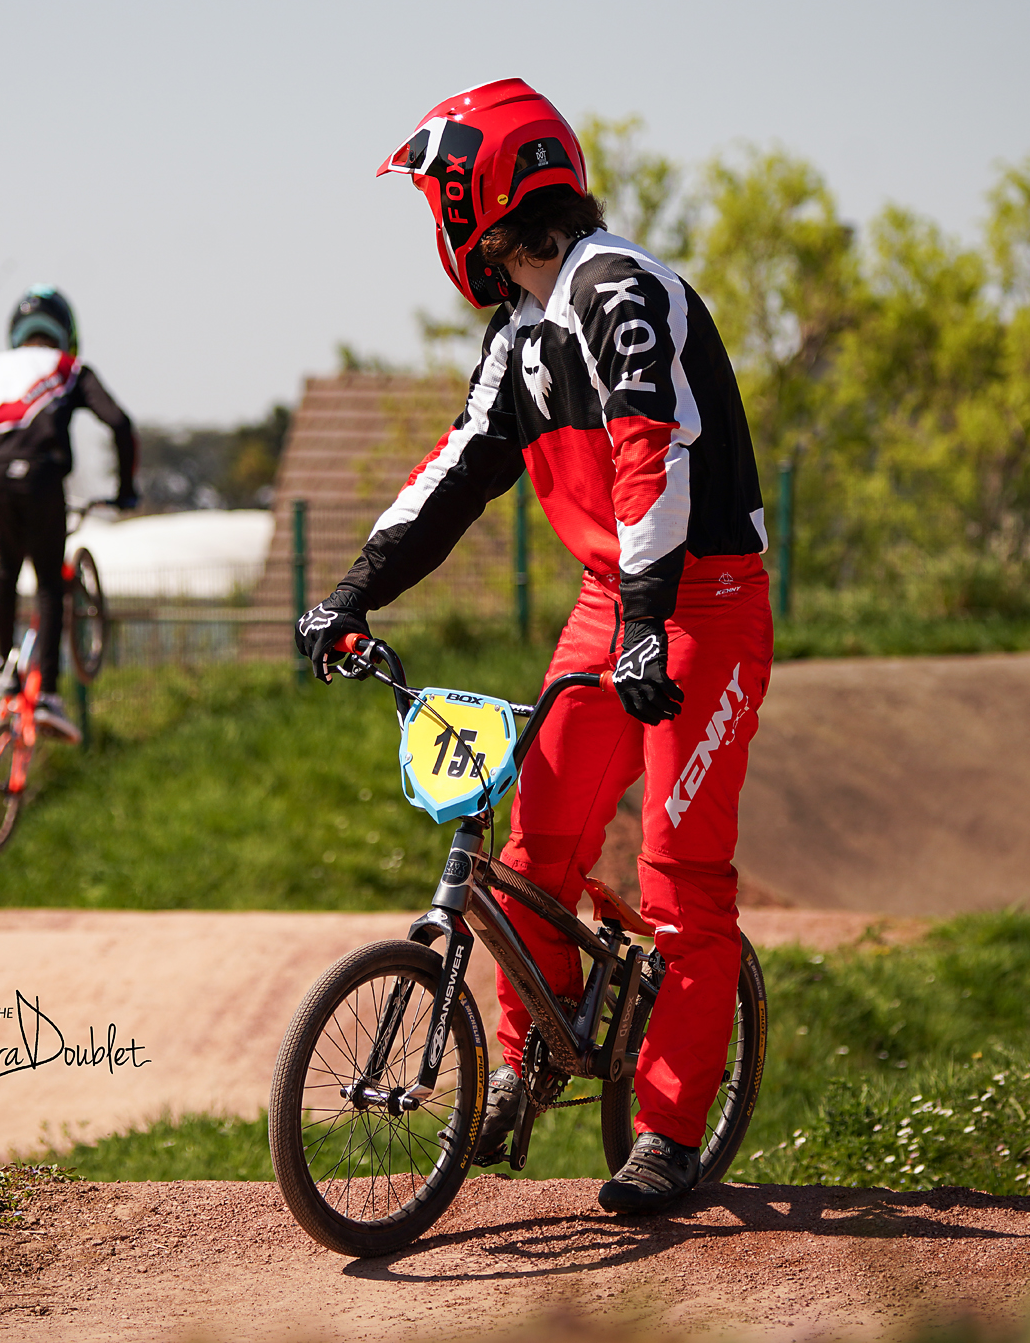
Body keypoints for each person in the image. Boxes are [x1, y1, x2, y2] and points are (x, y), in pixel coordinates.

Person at [295, 80, 773, 1216]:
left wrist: (652, 623)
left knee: (678, 882)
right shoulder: (516, 333)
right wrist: (350, 594)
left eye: (438, 202)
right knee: (534, 843)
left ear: (479, 203)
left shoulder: (620, 291)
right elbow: (453, 473)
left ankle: (663, 1132)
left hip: (699, 606)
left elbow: (650, 456)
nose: (437, 228)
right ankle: (521, 1063)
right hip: (616, 602)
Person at [0, 285, 138, 742]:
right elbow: (120, 424)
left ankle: (2, 665)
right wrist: (126, 489)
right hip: (43, 477)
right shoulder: (70, 368)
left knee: (8, 567)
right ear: (67, 333)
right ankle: (48, 695)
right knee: (50, 582)